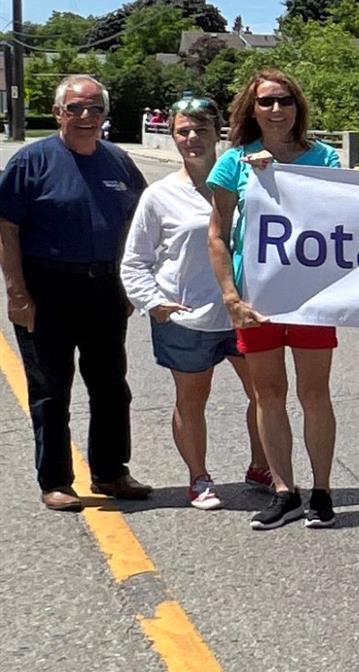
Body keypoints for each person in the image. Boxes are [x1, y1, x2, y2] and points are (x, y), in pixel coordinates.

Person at [0, 74, 152, 509]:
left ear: (106, 114)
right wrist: (17, 292)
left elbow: (140, 224)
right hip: (46, 287)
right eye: (76, 109)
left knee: (110, 385)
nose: (86, 117)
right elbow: (6, 227)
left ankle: (111, 472)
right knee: (51, 389)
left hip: (105, 287)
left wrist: (131, 286)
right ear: (58, 113)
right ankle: (56, 480)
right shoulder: (31, 162)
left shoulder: (119, 162)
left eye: (95, 109)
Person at [207, 69, 343, 530]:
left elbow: (348, 217)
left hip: (308, 297)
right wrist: (229, 295)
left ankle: (322, 491)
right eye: (266, 102)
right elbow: (217, 234)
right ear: (252, 108)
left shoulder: (323, 158)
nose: (276, 110)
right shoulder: (233, 163)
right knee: (268, 393)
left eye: (284, 100)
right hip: (256, 298)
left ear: (297, 105)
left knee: (314, 392)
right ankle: (284, 490)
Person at [121, 96, 267, 509]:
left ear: (217, 133)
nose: (192, 138)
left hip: (242, 312)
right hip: (186, 316)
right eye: (183, 130)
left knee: (263, 393)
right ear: (172, 136)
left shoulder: (246, 182)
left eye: (201, 129)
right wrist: (153, 303)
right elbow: (136, 260)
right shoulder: (159, 196)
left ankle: (261, 465)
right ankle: (199, 477)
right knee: (191, 399)